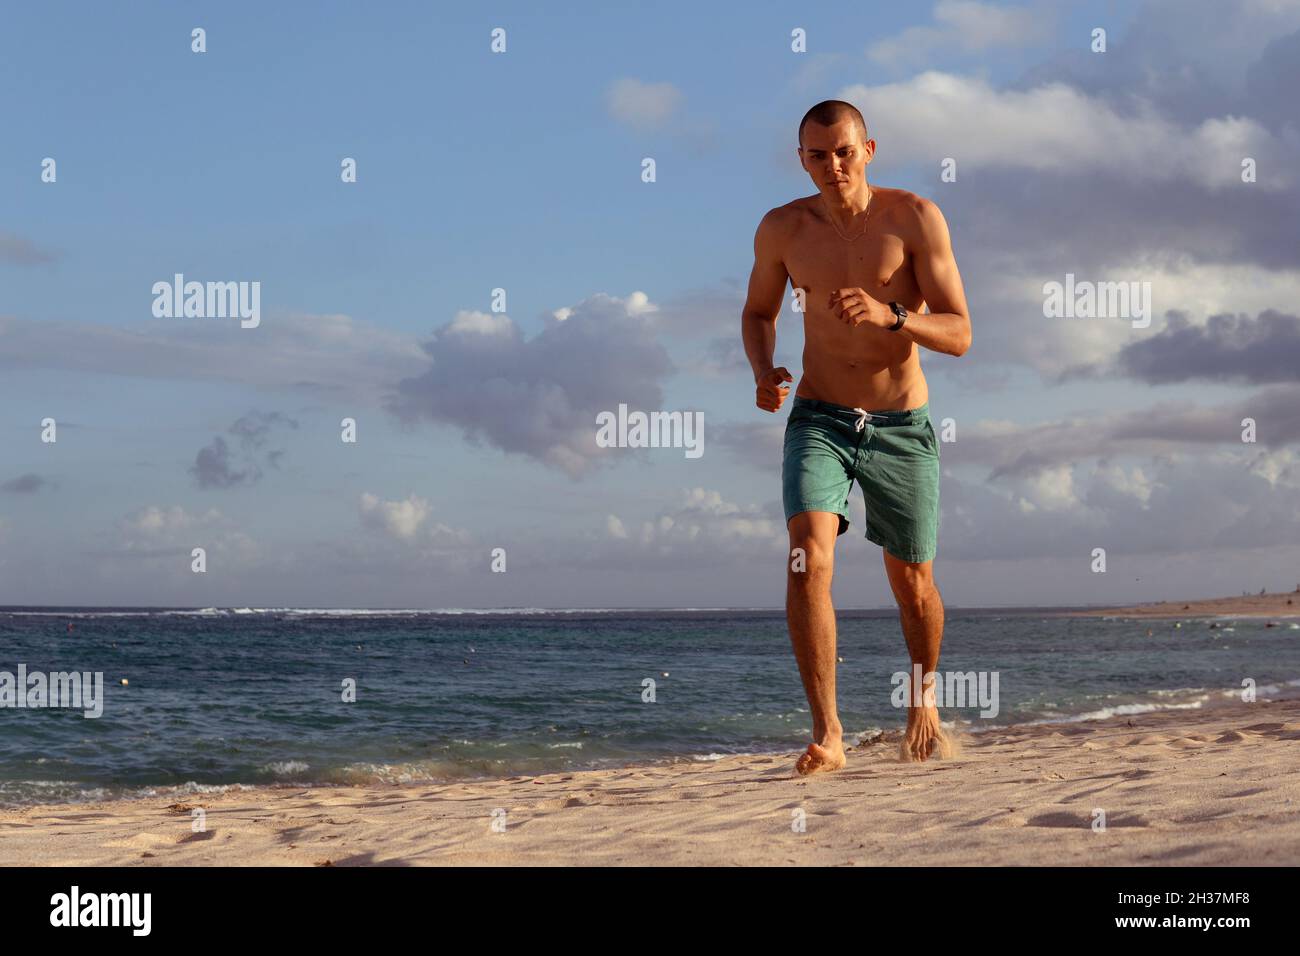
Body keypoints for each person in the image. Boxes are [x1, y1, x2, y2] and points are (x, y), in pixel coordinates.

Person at [741, 100, 972, 774]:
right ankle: (829, 734)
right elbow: (757, 312)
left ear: (868, 149)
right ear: (802, 160)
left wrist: (892, 315)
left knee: (914, 582)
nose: (833, 166)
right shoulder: (783, 228)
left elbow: (960, 332)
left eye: (844, 151)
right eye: (818, 155)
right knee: (807, 557)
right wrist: (763, 370)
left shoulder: (915, 218)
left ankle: (923, 698)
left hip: (900, 424)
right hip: (820, 417)